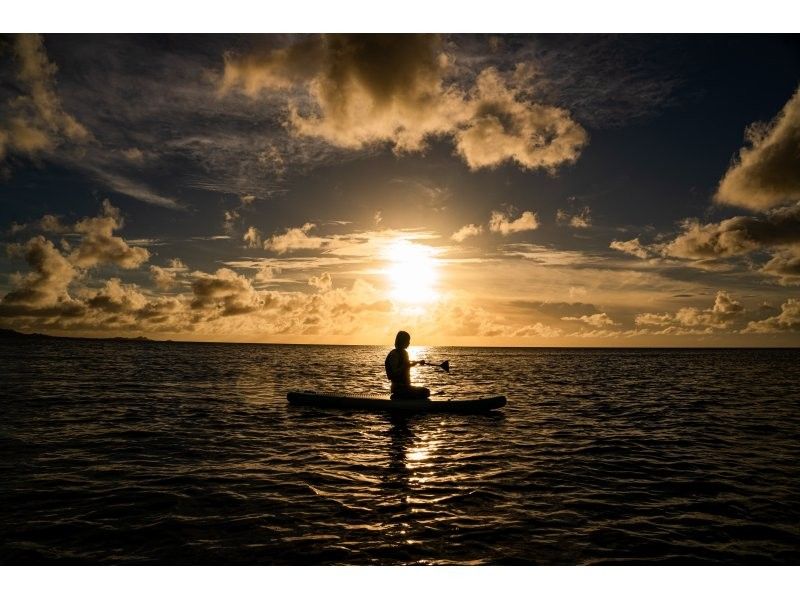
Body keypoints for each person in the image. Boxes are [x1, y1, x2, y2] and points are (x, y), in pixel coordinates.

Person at [384, 330, 431, 400]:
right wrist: (405, 365)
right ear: (402, 341)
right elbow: (393, 374)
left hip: (406, 387)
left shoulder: (405, 353)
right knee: (425, 392)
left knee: (426, 392)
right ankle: (398, 396)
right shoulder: (394, 354)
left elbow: (405, 366)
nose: (409, 343)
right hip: (398, 388)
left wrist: (415, 363)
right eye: (407, 340)